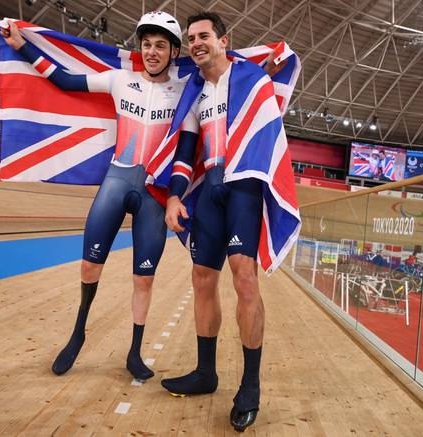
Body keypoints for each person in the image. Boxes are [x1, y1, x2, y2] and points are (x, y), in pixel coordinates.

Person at [0, 11, 195, 380]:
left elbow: (187, 150)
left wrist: (176, 194)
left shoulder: (185, 94)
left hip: (154, 192)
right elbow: (65, 80)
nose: (152, 52)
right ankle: (77, 334)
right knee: (90, 265)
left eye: (160, 46)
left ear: (173, 51)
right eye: (147, 45)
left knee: (144, 278)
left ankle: (134, 353)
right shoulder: (119, 79)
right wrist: (22, 46)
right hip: (117, 182)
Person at [160, 11, 292, 432]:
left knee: (244, 278)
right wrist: (175, 197)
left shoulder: (251, 78)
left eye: (203, 36)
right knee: (202, 277)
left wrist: (268, 66)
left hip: (242, 187)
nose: (196, 42)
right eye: (190, 37)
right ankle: (205, 373)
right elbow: (185, 152)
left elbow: (284, 64)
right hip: (211, 187)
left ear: (223, 40)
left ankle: (250, 386)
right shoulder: (195, 92)